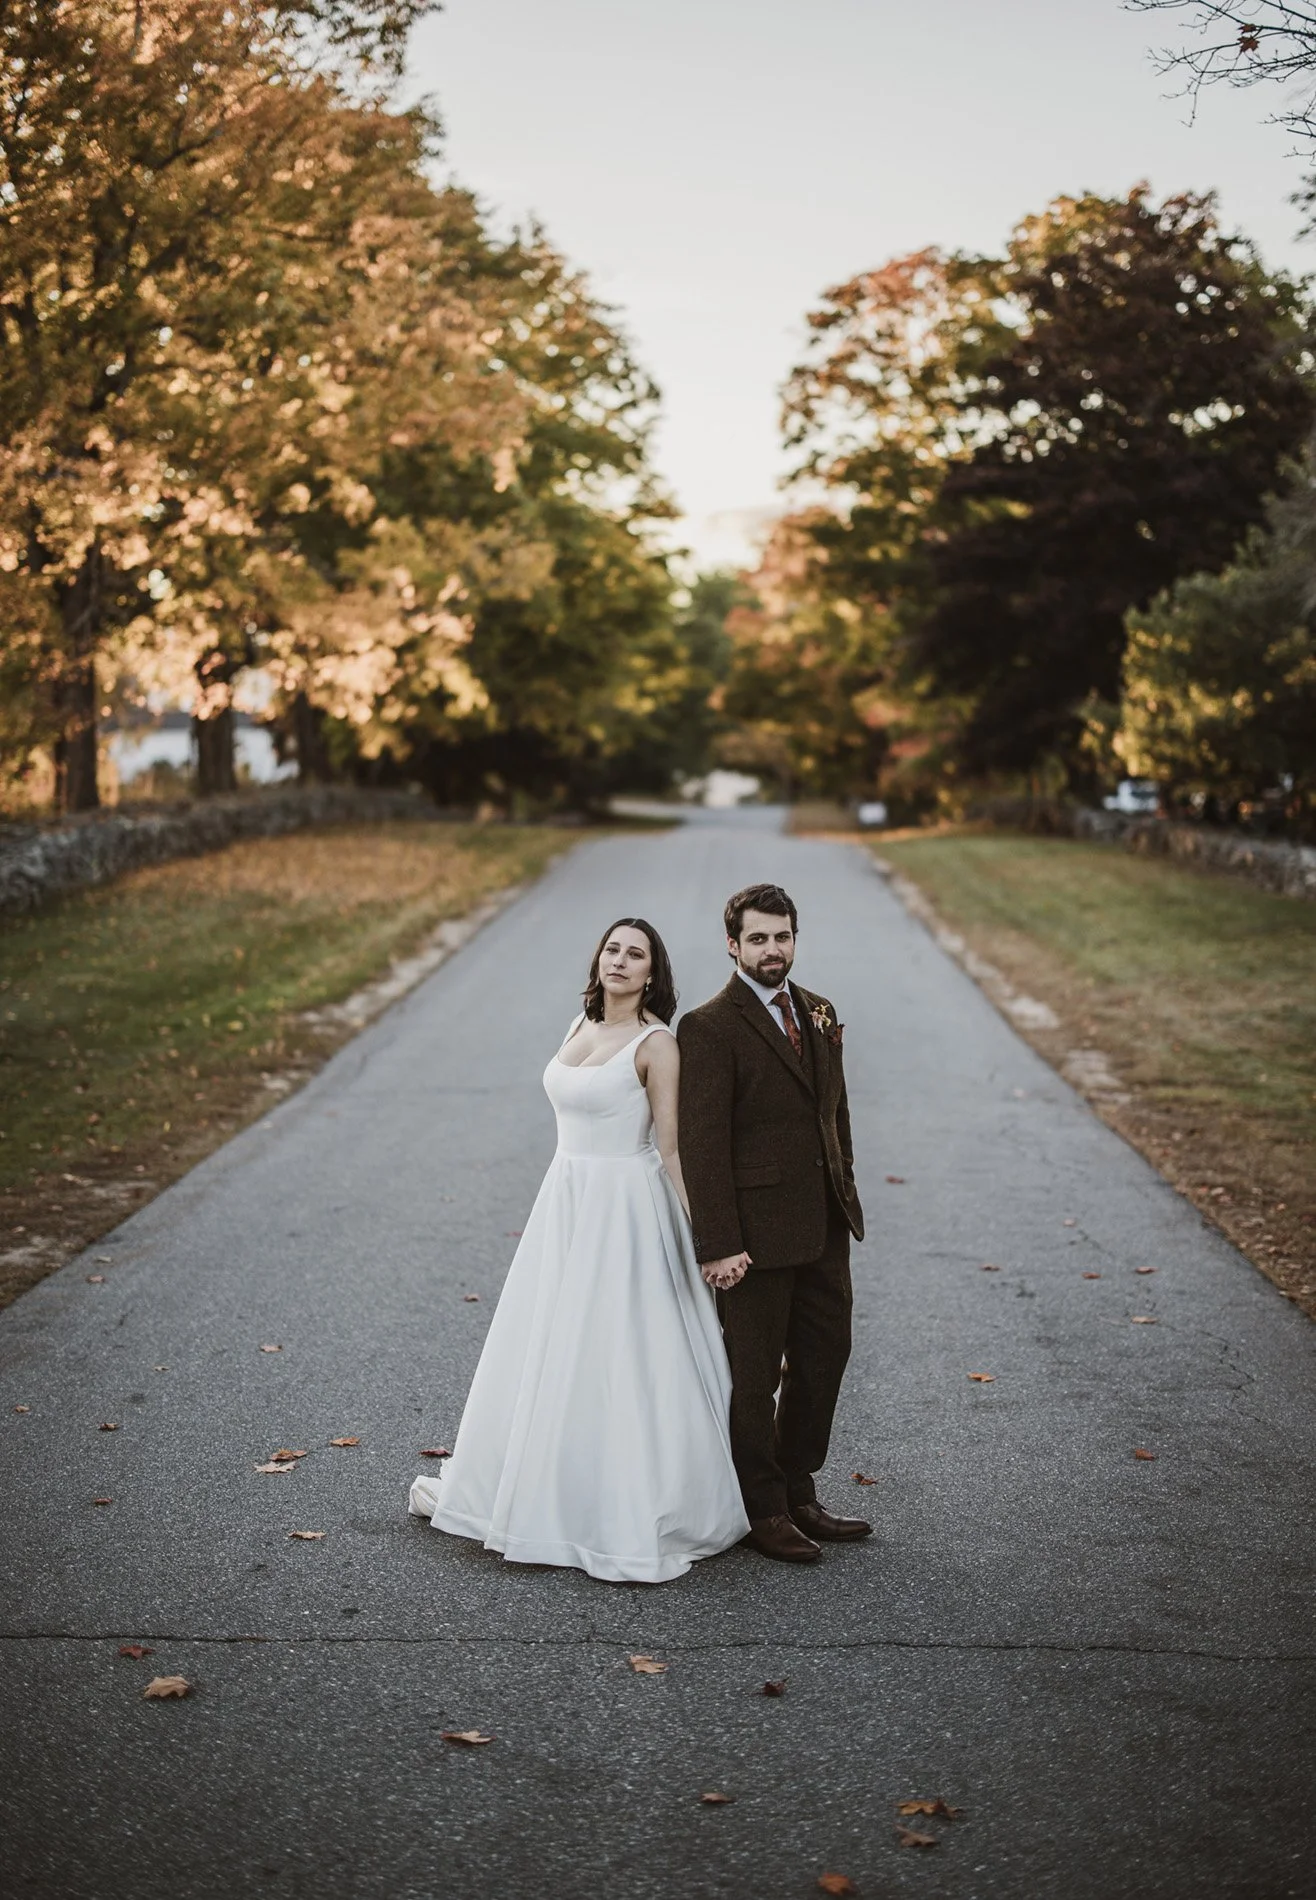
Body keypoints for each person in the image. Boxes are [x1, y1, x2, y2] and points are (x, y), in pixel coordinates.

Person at [408, 918, 748, 1583]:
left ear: (653, 972)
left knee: (619, 1352)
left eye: (636, 954)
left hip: (626, 1206)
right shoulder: (577, 1026)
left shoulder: (657, 1045)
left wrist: (708, 1239)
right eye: (613, 949)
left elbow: (673, 1150)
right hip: (565, 1200)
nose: (621, 961)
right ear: (598, 959)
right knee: (550, 1346)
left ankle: (625, 1503)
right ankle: (539, 1484)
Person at [677, 883, 868, 1564]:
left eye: (781, 936)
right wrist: (720, 1242)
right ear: (733, 945)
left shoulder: (818, 1010)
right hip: (753, 1238)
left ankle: (798, 1486)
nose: (771, 949)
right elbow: (702, 1145)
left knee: (825, 1357)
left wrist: (844, 1188)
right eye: (757, 938)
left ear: (794, 938)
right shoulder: (708, 1027)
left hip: (824, 1225)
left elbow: (834, 1112)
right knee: (754, 1377)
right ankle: (761, 1506)